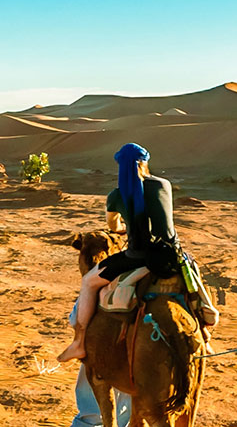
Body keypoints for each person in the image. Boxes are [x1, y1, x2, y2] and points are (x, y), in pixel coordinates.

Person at [57, 143, 182, 362]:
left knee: (88, 282)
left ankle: (79, 342)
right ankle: (206, 330)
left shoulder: (116, 195)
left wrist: (125, 228)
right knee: (193, 275)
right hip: (171, 254)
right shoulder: (164, 185)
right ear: (144, 162)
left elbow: (113, 226)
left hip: (137, 257)